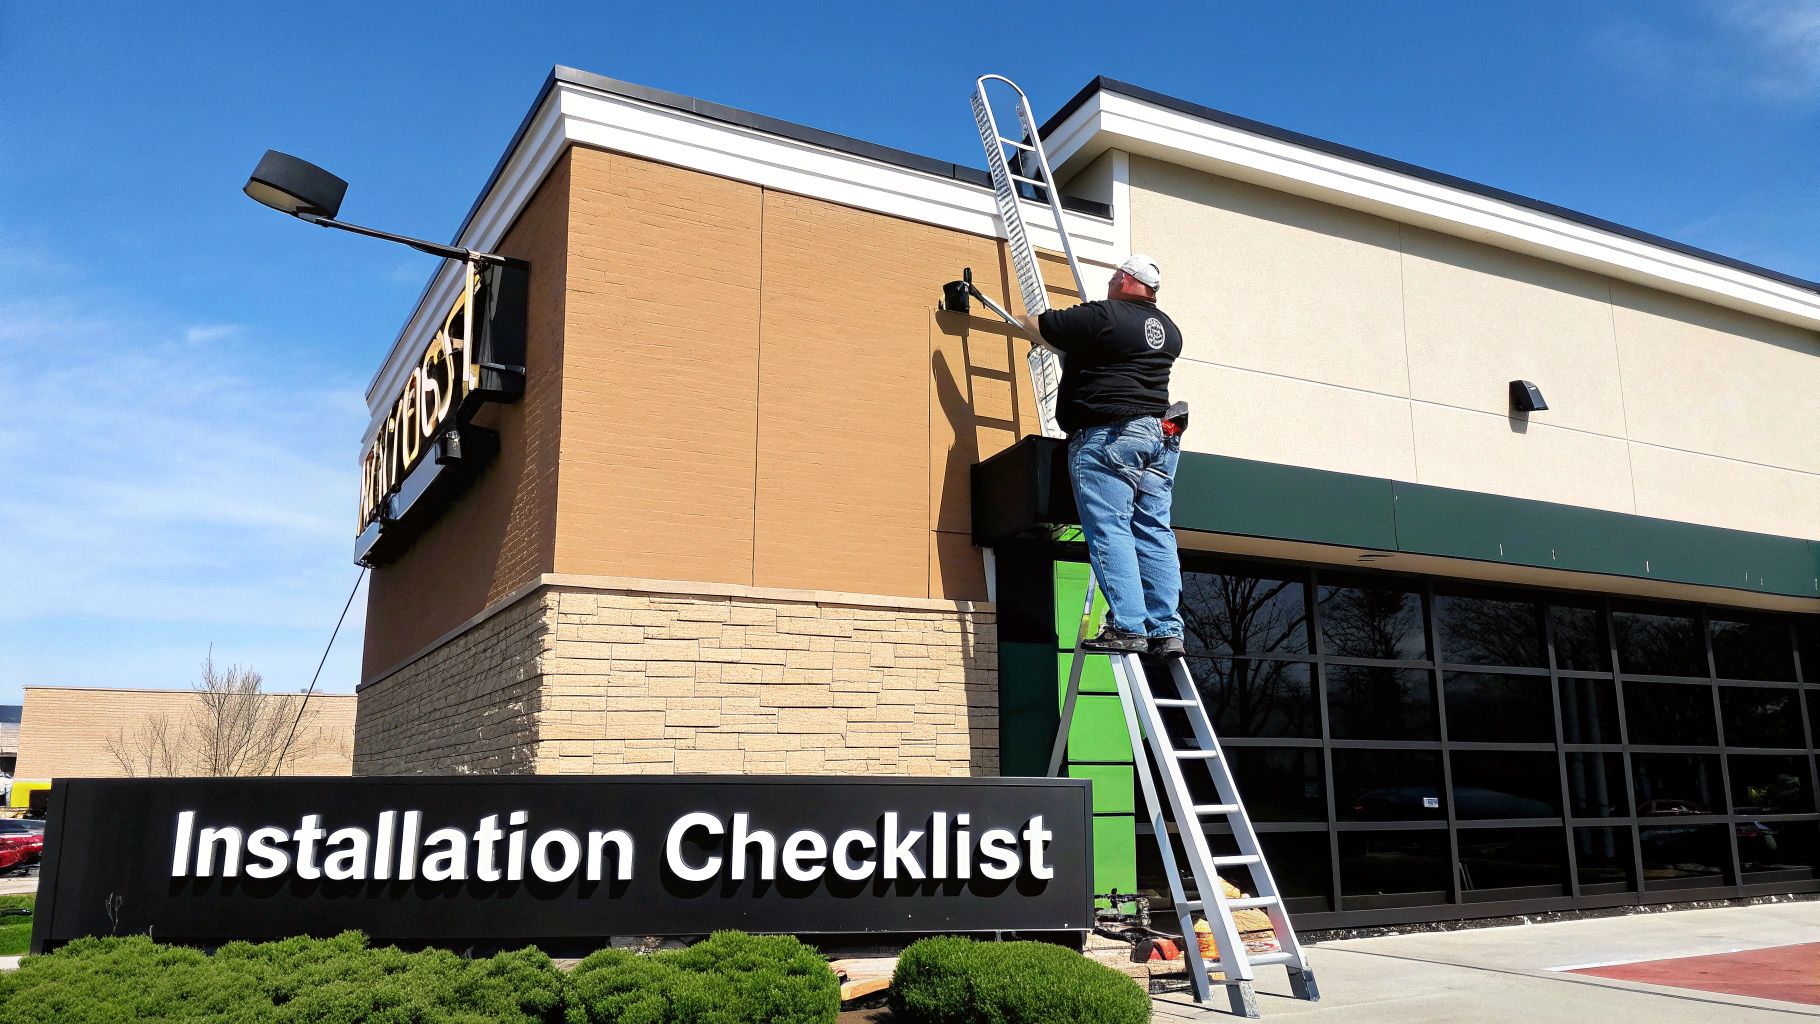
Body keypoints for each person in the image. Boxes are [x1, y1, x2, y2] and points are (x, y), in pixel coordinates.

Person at [1016, 254, 1187, 658]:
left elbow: (1042, 325)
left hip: (1110, 437)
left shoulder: (1105, 316)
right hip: (1158, 437)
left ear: (1126, 280)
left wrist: (1022, 322)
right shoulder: (1169, 330)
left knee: (1111, 528)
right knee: (1154, 531)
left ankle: (1128, 626)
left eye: (1113, 278)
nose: (1109, 284)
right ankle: (1166, 629)